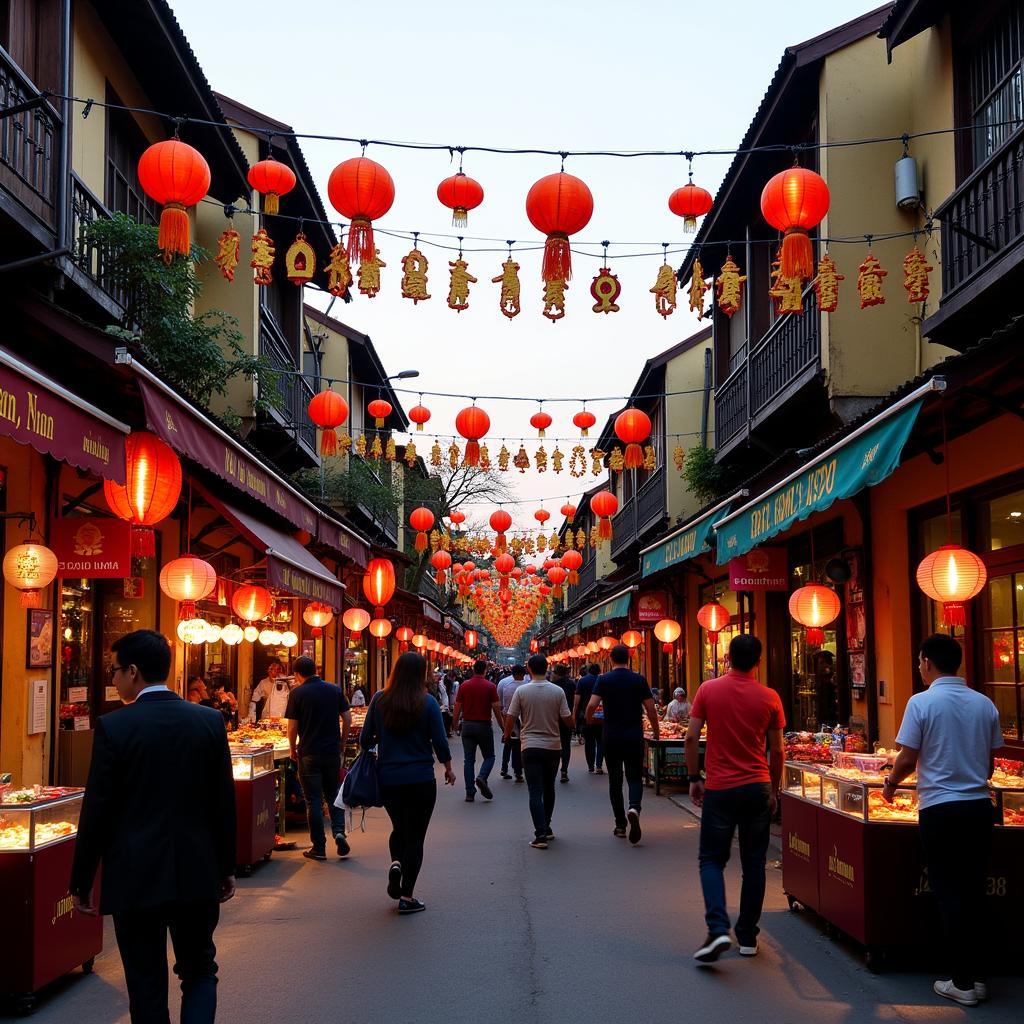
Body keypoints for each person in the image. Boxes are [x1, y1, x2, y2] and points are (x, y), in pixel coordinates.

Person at [70, 630, 236, 1024]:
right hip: (197, 868)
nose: (113, 680)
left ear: (133, 671)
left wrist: (81, 879)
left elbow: (97, 809)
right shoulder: (209, 721)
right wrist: (225, 865)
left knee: (145, 981)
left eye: (115, 671)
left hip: (135, 873)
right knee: (199, 971)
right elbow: (222, 802)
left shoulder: (115, 727)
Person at [884, 634, 1003, 1007]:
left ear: (926, 663)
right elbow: (988, 765)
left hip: (940, 808)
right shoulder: (984, 704)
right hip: (980, 808)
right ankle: (978, 977)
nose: (919, 667)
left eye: (920, 662)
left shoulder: (921, 702)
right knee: (974, 890)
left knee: (949, 891)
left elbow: (906, 758)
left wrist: (889, 784)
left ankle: (962, 982)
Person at [685, 633, 785, 964]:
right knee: (754, 863)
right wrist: (774, 787)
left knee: (712, 859)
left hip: (720, 788)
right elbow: (778, 750)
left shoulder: (708, 690)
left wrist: (694, 778)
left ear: (727, 657)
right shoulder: (770, 697)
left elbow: (690, 736)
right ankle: (747, 936)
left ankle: (717, 929)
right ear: (759, 662)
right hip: (756, 786)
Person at [360, 652, 456, 914]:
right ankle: (407, 896)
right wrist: (448, 768)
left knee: (400, 828)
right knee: (416, 836)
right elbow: (440, 741)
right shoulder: (428, 703)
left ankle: (396, 863)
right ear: (421, 674)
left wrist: (384, 741)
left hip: (389, 779)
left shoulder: (380, 700)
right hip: (421, 779)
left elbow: (365, 740)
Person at [586, 644, 659, 845]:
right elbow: (651, 709)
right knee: (635, 776)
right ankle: (634, 807)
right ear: (629, 659)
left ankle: (620, 825)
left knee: (615, 781)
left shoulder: (604, 680)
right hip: (634, 735)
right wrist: (656, 730)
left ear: (610, 659)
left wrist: (588, 720)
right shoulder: (639, 680)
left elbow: (592, 705)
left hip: (611, 736)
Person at [504, 654, 574, 849]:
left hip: (530, 746)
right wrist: (573, 723)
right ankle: (547, 827)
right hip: (553, 746)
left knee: (535, 790)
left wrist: (507, 734)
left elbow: (511, 716)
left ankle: (540, 833)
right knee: (549, 787)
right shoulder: (557, 691)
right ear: (547, 669)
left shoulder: (522, 691)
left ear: (530, 670)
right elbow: (567, 719)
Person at [285, 656, 352, 861]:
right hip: (331, 752)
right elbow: (347, 718)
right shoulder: (334, 689)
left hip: (309, 752)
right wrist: (342, 742)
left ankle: (319, 847)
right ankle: (339, 831)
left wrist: (292, 748)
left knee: (313, 799)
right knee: (333, 795)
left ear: (297, 674)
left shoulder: (297, 693)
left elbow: (293, 726)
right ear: (316, 670)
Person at [452, 659, 503, 802]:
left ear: (473, 670)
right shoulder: (490, 686)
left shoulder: (464, 685)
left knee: (468, 760)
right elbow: (496, 709)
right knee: (489, 757)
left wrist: (455, 725)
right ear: (486, 670)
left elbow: (457, 707)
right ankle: (482, 776)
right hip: (484, 726)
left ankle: (469, 792)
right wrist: (502, 725)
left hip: (467, 725)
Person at [573, 663, 604, 774]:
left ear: (588, 671)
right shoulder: (603, 680)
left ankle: (591, 766)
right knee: (600, 741)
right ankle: (599, 765)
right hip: (601, 716)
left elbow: (577, 700)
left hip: (587, 715)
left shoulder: (582, 681)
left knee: (589, 741)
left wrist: (574, 715)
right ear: (599, 670)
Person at [498, 664, 526, 781]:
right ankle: (518, 771)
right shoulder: (527, 687)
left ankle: (504, 767)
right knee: (519, 747)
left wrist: (504, 724)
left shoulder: (506, 687)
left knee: (509, 743)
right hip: (524, 721)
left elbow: (503, 708)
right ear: (524, 674)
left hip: (510, 720)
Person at [552, 664, 576, 783]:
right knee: (566, 745)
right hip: (567, 718)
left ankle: (553, 770)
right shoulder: (572, 684)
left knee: (553, 745)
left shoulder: (552, 686)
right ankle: (564, 771)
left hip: (553, 720)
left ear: (556, 674)